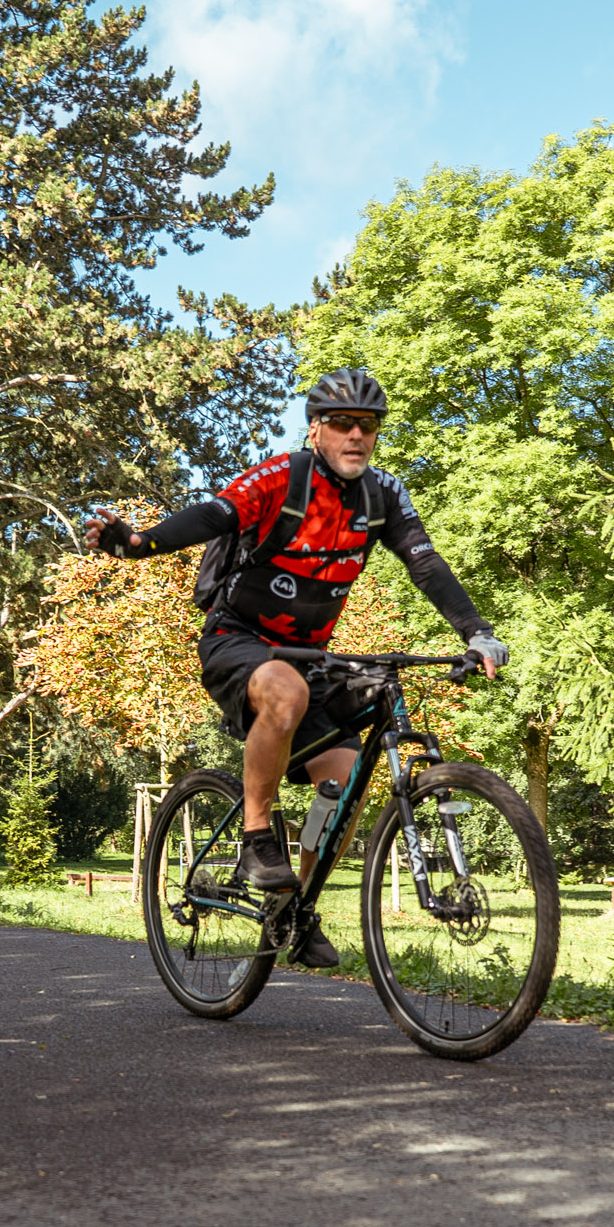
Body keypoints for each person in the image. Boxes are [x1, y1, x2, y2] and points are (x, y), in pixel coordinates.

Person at [83, 367, 505, 969]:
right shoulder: (284, 478)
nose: (356, 435)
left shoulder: (383, 495)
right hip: (237, 640)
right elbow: (213, 516)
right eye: (342, 423)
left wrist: (476, 632)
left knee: (346, 781)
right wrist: (138, 544)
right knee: (283, 691)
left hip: (312, 658)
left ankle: (295, 908)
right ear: (315, 430)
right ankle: (257, 838)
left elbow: (425, 563)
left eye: (368, 425)